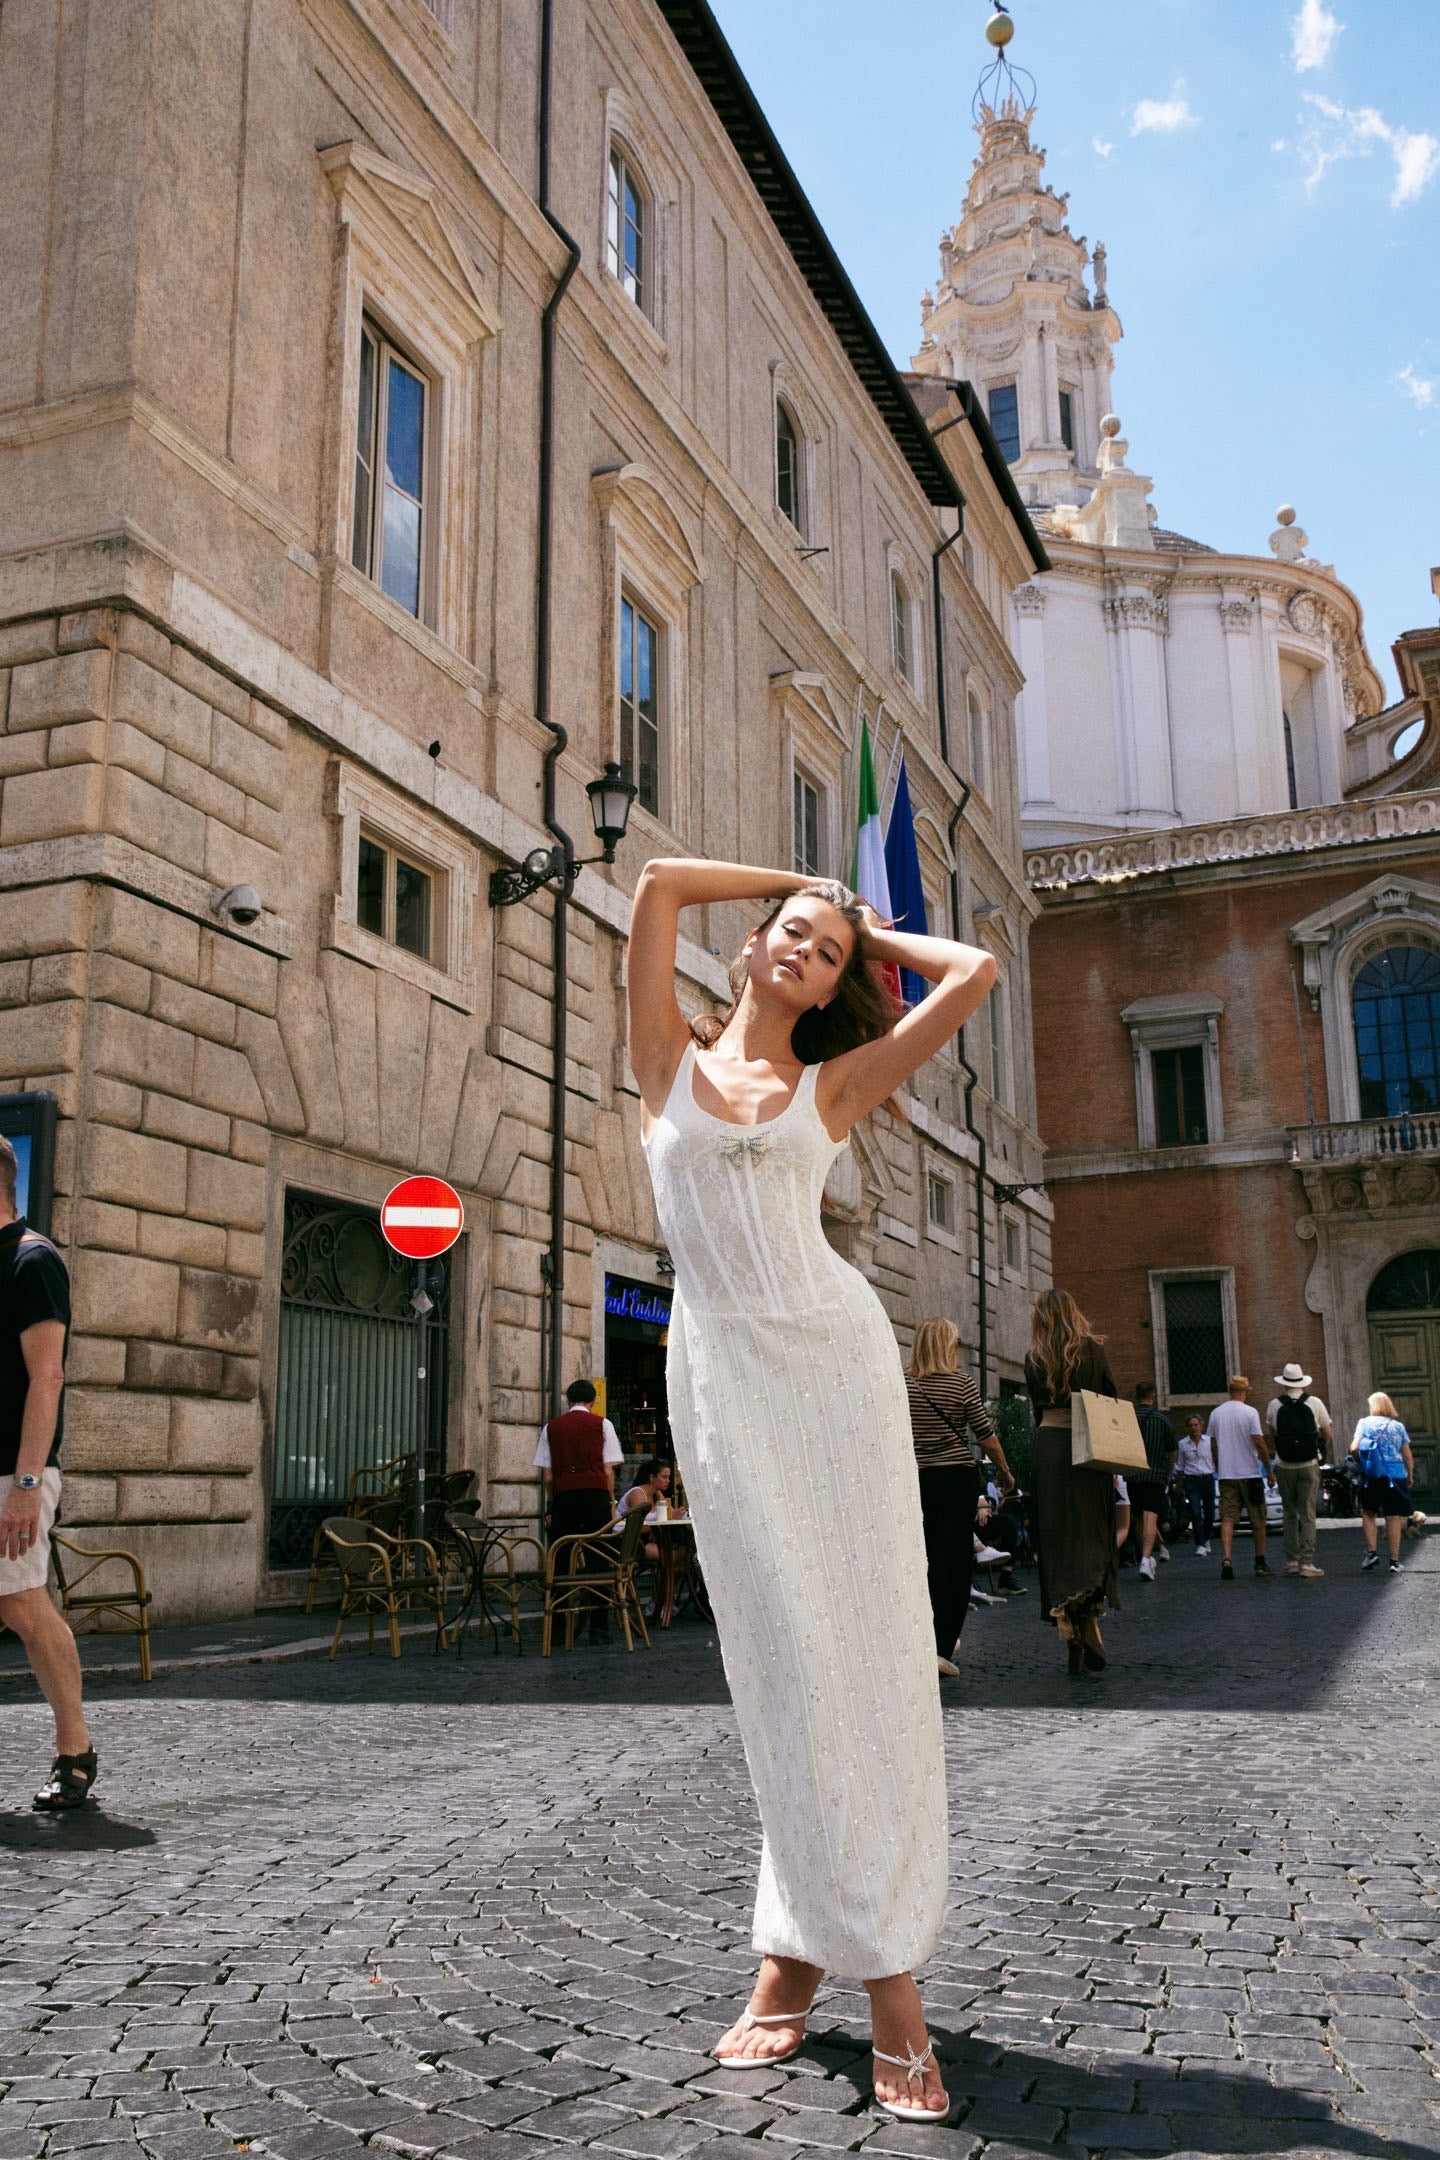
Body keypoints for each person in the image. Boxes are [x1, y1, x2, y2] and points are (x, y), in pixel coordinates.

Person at [629, 857, 995, 2123]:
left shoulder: (831, 1084)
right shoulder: (663, 1061)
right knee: (780, 1666)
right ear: (749, 946)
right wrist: (798, 880)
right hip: (725, 1384)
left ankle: (886, 1980)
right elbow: (661, 884)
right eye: (790, 934)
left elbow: (978, 973)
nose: (804, 952)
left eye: (828, 955)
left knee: (873, 1658)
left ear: (841, 984)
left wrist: (876, 928)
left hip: (834, 1376)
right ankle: (791, 1943)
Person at [0, 1135, 95, 1810]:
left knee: (22, 1606)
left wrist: (26, 1486)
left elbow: (48, 1375)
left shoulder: (33, 1261)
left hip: (12, 1472)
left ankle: (75, 1748)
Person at [905, 1316, 1013, 1676]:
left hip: (914, 1479)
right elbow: (986, 1435)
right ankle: (941, 1646)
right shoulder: (960, 1383)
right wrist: (1005, 1471)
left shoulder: (901, 1383)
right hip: (954, 1479)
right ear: (946, 1345)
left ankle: (917, 1640)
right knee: (951, 1563)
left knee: (919, 1558)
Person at [1025, 1289, 1120, 1677]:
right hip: (1087, 1447)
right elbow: (1109, 1396)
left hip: (1048, 1448)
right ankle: (1090, 1624)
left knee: (1058, 1539)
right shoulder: (1093, 1351)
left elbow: (1036, 1407)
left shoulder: (1034, 1358)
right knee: (1092, 1536)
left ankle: (1075, 1630)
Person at [534, 1380, 624, 1638]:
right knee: (599, 1559)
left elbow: (548, 1476)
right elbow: (608, 1471)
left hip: (564, 1498)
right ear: (593, 1401)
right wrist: (609, 1501)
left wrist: (556, 1500)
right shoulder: (602, 1425)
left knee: (561, 1559)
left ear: (568, 1401)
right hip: (595, 1497)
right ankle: (599, 1627)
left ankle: (560, 1628)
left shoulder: (551, 1427)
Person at [1264, 1362, 1332, 1579]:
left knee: (1289, 1513)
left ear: (1284, 1384)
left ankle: (1292, 1561)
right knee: (1308, 1514)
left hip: (1284, 1465)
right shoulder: (1314, 1402)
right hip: (1308, 1464)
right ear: (1302, 1382)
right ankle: (1307, 1562)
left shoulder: (1274, 1405)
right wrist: (1319, 1450)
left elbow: (1272, 1432)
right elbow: (1328, 1433)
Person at [1205, 1376, 1275, 1581]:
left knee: (1228, 1517)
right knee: (1258, 1519)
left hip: (1227, 1474)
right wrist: (1269, 1471)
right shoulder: (1250, 1412)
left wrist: (1218, 1465)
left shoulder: (1216, 1413)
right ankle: (1259, 1562)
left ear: (1229, 1391)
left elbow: (1213, 1444)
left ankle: (1227, 1558)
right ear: (1247, 1392)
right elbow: (1259, 1442)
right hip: (1250, 1474)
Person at [1350, 1393, 1416, 1575]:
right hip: (1395, 1476)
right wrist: (1409, 1474)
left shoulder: (1364, 1423)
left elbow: (1354, 1448)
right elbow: (1407, 1454)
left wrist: (1360, 1463)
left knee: (1369, 1513)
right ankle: (1394, 1562)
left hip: (1372, 1474)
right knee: (1393, 1517)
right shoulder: (1398, 1426)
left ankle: (1371, 1553)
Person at [1130, 1382, 1177, 1582]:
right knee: (1151, 1517)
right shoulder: (1163, 1420)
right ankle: (1145, 1559)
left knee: (1140, 1517)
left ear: (1136, 1395)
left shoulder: (1128, 1418)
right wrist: (1168, 1471)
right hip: (1155, 1475)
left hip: (1132, 1475)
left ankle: (1145, 1557)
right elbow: (1172, 1451)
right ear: (1153, 1396)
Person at [1177, 1413, 1215, 1555]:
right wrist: (1179, 1484)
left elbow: (1215, 1459)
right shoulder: (1182, 1444)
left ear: (1201, 1426)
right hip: (1191, 1479)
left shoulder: (1209, 1441)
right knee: (1195, 1511)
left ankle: (1206, 1538)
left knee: (1210, 1511)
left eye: (1196, 1425)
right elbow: (1180, 1465)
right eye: (1191, 1425)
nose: (1194, 1428)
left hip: (1207, 1478)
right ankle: (1200, 1543)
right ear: (1187, 1428)